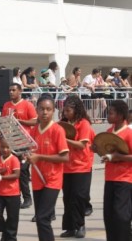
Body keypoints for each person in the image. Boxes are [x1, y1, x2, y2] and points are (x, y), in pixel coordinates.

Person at [28, 94, 69, 241]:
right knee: (40, 219)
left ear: (53, 111)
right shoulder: (33, 131)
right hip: (37, 179)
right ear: (36, 110)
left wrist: (40, 157)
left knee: (43, 217)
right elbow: (30, 153)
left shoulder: (58, 130)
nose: (45, 112)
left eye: (48, 109)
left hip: (52, 180)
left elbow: (65, 157)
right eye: (42, 109)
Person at [60, 95, 95, 238]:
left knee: (78, 197)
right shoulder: (63, 123)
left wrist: (64, 139)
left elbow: (81, 145)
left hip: (82, 166)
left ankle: (80, 225)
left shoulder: (84, 124)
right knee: (67, 198)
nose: (66, 113)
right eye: (64, 111)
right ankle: (69, 227)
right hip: (66, 166)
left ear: (76, 110)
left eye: (68, 110)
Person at [100, 100, 132, 241]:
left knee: (121, 216)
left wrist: (118, 156)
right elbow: (107, 154)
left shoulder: (129, 133)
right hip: (110, 178)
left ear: (119, 115)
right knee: (109, 215)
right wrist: (98, 151)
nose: (108, 114)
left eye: (111, 112)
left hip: (125, 179)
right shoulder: (108, 132)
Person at [2, 83, 37, 209]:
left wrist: (19, 121)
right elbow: (3, 121)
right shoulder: (6, 105)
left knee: (23, 171)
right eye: (10, 90)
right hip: (11, 142)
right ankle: (15, 196)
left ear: (20, 91)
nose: (11, 92)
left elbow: (34, 121)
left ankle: (27, 198)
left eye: (14, 90)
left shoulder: (27, 105)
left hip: (24, 143)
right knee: (11, 170)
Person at [0, 137, 21, 241]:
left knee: (12, 218)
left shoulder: (14, 159)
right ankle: (5, 231)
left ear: (11, 148)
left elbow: (16, 175)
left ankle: (10, 237)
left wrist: (1, 177)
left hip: (13, 193)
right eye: (3, 147)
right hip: (1, 193)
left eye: (7, 147)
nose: (5, 149)